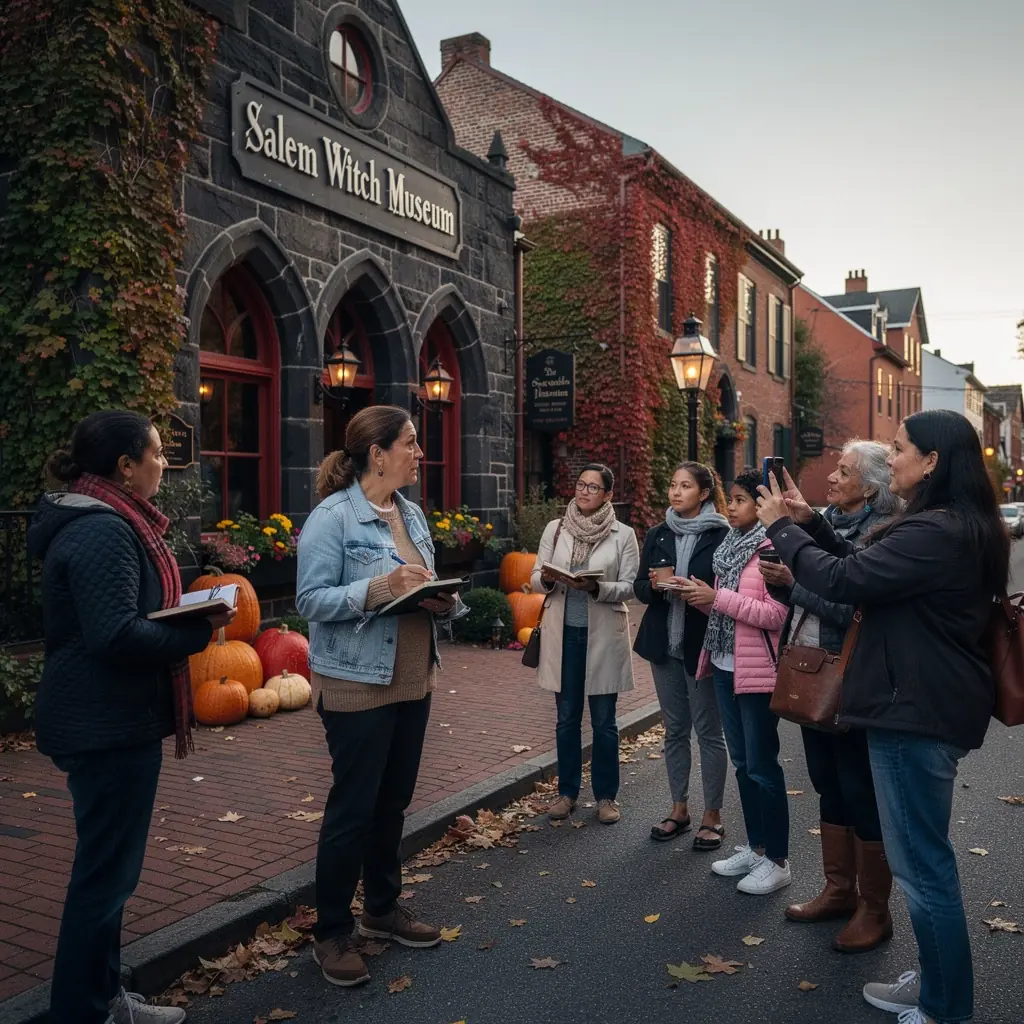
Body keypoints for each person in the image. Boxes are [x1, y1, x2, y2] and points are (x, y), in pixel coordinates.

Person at [757, 410, 1008, 1024]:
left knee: (923, 869)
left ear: (932, 462)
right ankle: (933, 982)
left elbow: (847, 580)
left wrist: (782, 532)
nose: (890, 458)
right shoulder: (944, 525)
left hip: (914, 712)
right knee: (923, 862)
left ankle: (945, 1006)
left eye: (899, 449)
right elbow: (863, 561)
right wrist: (808, 521)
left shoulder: (939, 531)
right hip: (918, 706)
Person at [29, 411, 236, 1024]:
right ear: (125, 466)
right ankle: (85, 1010)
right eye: (155, 452)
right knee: (104, 879)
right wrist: (198, 631)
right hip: (105, 724)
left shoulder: (107, 519)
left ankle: (104, 1000)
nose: (163, 461)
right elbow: (114, 634)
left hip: (108, 719)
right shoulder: (104, 530)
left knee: (109, 874)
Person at [296, 405, 463, 989]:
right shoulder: (332, 517)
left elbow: (427, 582)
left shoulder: (411, 513)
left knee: (392, 803)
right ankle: (332, 932)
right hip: (355, 682)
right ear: (378, 452)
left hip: (413, 677)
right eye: (411, 443)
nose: (419, 452)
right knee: (353, 810)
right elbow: (311, 600)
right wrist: (377, 587)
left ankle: (383, 909)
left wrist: (447, 601)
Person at [759, 441, 902, 953]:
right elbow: (802, 597)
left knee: (860, 789)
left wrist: (795, 585)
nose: (833, 477)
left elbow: (856, 608)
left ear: (871, 486)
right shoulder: (821, 522)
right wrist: (781, 583)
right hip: (811, 673)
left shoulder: (881, 534)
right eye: (837, 468)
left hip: (856, 680)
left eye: (844, 472)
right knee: (827, 785)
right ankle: (838, 890)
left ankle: (873, 908)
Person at [683, 469, 791, 895]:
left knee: (764, 767)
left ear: (763, 503)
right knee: (744, 764)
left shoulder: (771, 547)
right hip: (726, 665)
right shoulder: (729, 546)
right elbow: (732, 612)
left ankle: (779, 860)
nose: (733, 506)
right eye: (730, 498)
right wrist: (701, 598)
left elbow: (775, 616)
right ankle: (757, 847)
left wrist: (718, 598)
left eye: (743, 498)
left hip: (759, 671)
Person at [529, 464, 640, 825]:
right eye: (580, 484)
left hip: (603, 635)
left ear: (608, 495)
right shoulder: (555, 528)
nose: (584, 491)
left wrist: (596, 587)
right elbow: (533, 576)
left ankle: (607, 797)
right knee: (566, 718)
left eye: (594, 487)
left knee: (605, 721)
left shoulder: (623, 534)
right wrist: (546, 579)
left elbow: (631, 586)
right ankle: (567, 793)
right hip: (563, 636)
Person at [633, 462, 730, 849]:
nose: (675, 492)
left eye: (685, 486)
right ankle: (679, 809)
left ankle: (713, 815)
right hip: (663, 647)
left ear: (703, 493)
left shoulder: (723, 535)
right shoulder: (658, 534)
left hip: (703, 645)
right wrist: (656, 588)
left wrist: (700, 592)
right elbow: (640, 587)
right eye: (672, 485)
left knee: (709, 732)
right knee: (675, 731)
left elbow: (730, 592)